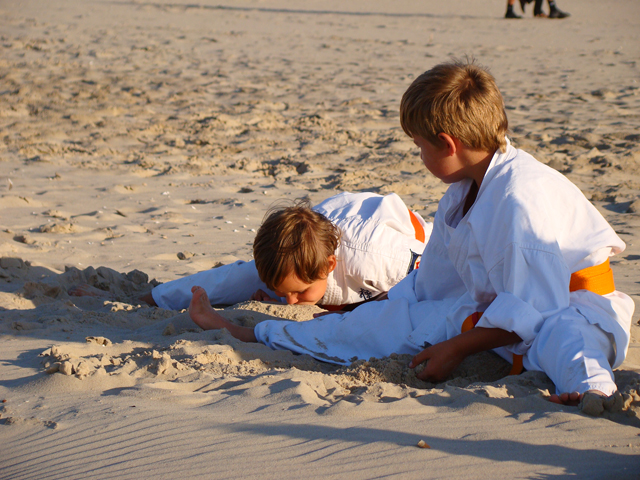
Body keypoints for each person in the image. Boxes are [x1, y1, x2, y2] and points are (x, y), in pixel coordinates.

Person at [189, 60, 633, 412]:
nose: (419, 155)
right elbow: (431, 282)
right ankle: (255, 334)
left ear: (448, 144)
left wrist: (455, 348)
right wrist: (368, 312)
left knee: (569, 341)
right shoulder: (463, 191)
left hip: (574, 307)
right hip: (486, 317)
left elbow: (534, 308)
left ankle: (593, 391)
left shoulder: (521, 198)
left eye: (420, 146)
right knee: (388, 322)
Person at [144, 192, 431, 311]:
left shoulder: (380, 259)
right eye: (283, 293)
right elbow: (227, 280)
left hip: (414, 243)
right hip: (322, 239)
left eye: (298, 292)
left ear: (328, 265)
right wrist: (157, 298)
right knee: (240, 280)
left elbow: (434, 282)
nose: (291, 302)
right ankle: (154, 296)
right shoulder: (291, 263)